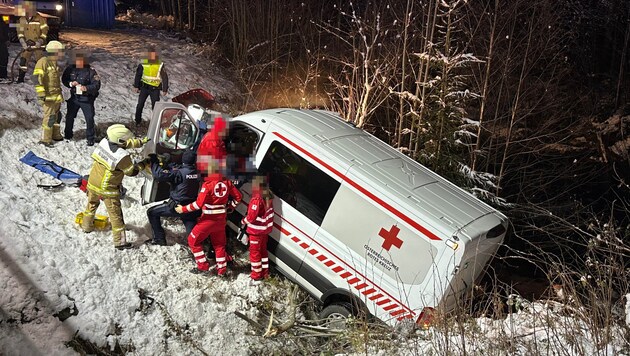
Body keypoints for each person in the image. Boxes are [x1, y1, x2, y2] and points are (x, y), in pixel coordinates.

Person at [81, 124, 150, 249]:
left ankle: (86, 227)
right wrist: (144, 163)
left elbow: (122, 144)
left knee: (91, 205)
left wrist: (139, 142)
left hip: (92, 181)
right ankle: (120, 242)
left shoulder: (104, 142)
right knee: (116, 216)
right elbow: (131, 172)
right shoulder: (122, 156)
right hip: (107, 188)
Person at [175, 159, 242, 276]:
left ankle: (203, 266)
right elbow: (238, 197)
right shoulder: (227, 182)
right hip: (221, 221)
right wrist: (231, 206)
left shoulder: (208, 185)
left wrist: (183, 209)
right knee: (219, 245)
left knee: (193, 241)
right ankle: (222, 270)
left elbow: (198, 204)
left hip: (207, 221)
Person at [146, 150, 201, 246]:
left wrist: (154, 162)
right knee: (193, 235)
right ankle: (197, 245)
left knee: (151, 212)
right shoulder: (198, 172)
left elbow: (159, 175)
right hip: (192, 209)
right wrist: (170, 163)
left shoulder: (178, 173)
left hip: (177, 207)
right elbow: (181, 169)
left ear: (183, 160)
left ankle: (159, 239)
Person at [62, 51, 101, 146]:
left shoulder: (91, 71)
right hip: (74, 98)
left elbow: (97, 84)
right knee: (70, 117)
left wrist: (86, 88)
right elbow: (64, 79)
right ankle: (68, 134)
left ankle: (90, 138)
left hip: (86, 99)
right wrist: (71, 84)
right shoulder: (71, 69)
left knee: (89, 118)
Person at [240, 175, 274, 282]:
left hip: (256, 230)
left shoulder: (257, 199)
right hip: (264, 230)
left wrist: (243, 221)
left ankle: (256, 274)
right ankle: (265, 272)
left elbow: (251, 217)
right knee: (263, 252)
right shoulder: (268, 195)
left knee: (254, 253)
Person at [33, 40, 64, 146]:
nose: (62, 53)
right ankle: (46, 139)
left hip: (56, 97)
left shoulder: (54, 63)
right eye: (60, 51)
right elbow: (37, 78)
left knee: (57, 116)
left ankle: (55, 135)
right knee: (50, 117)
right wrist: (42, 94)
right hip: (48, 97)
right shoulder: (43, 61)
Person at [133, 46, 168, 125]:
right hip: (144, 88)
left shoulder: (160, 64)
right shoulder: (143, 63)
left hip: (155, 89)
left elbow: (164, 77)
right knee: (140, 105)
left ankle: (155, 123)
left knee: (155, 107)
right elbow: (138, 74)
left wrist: (165, 89)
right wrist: (136, 86)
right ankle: (137, 121)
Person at [16, 1, 48, 84]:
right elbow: (20, 33)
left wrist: (40, 41)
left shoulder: (40, 19)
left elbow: (45, 31)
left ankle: (43, 79)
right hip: (27, 45)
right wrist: (23, 42)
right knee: (23, 61)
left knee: (40, 62)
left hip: (38, 45)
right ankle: (20, 78)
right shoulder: (22, 19)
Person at [0, 14, 9, 81]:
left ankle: (3, 75)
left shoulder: (2, 21)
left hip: (2, 42)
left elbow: (5, 29)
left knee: (3, 58)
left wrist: (7, 39)